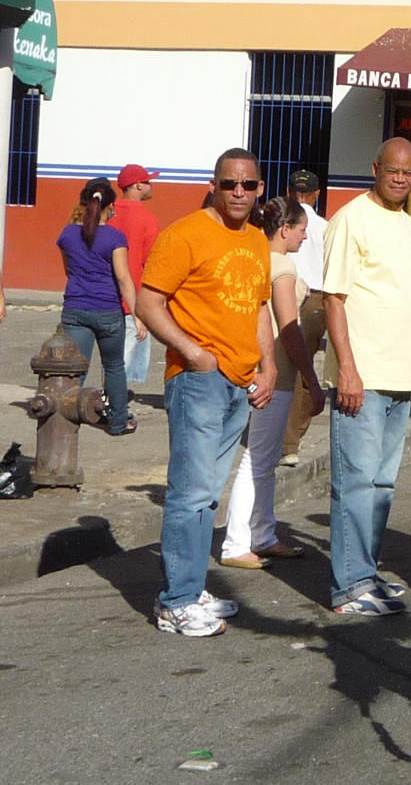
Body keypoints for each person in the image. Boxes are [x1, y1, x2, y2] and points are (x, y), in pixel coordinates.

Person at [137, 148, 276, 637]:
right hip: (198, 380)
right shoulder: (185, 234)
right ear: (214, 186)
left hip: (240, 382)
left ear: (259, 190)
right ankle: (175, 602)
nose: (240, 192)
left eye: (249, 185)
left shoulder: (258, 240)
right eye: (230, 184)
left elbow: (259, 307)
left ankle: (192, 589)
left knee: (206, 496)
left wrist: (269, 363)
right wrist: (190, 351)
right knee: (190, 493)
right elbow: (148, 301)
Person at [323, 138, 411, 614]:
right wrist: (347, 370)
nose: (399, 179)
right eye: (392, 171)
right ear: (375, 169)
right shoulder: (350, 219)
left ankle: (366, 573)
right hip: (362, 378)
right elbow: (333, 298)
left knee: (382, 483)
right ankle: (348, 586)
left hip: (399, 376)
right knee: (355, 481)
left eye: (408, 174)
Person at [219, 197, 326, 570]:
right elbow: (289, 328)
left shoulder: (253, 256)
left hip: (252, 368)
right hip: (276, 371)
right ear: (284, 229)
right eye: (300, 229)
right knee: (257, 460)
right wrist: (311, 379)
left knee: (259, 457)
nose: (305, 235)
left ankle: (262, 533)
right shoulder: (281, 266)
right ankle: (236, 542)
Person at [57, 177, 141, 437]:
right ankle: (117, 423)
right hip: (107, 311)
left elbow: (68, 270)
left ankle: (65, 422)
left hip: (75, 309)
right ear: (111, 206)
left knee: (75, 369)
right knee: (114, 366)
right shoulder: (115, 237)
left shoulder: (68, 233)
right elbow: (124, 278)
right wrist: (138, 315)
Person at [279, 168, 329, 466]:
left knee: (281, 364)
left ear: (289, 192)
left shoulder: (280, 224)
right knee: (303, 368)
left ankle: (281, 435)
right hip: (315, 299)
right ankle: (290, 441)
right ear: (317, 193)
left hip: (284, 291)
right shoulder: (325, 226)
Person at [108, 163, 160, 386]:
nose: (150, 185)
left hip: (105, 296)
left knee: (111, 359)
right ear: (138, 185)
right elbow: (151, 264)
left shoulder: (107, 212)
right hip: (133, 299)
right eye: (148, 181)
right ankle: (113, 403)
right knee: (125, 358)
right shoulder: (147, 220)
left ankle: (108, 397)